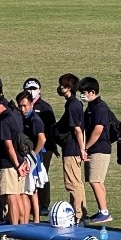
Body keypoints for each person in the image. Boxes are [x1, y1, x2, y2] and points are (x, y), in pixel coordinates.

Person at [0, 95, 30, 225]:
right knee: (19, 196)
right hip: (20, 160)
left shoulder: (3, 120)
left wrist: (17, 165)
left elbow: (8, 145)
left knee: (11, 198)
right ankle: (23, 228)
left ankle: (15, 230)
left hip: (10, 164)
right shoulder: (15, 115)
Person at [79, 77, 115, 224]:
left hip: (99, 148)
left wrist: (85, 147)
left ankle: (104, 211)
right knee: (97, 180)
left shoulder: (100, 107)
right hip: (97, 148)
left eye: (84, 92)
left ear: (92, 92)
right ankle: (102, 210)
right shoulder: (92, 107)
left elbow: (98, 129)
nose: (82, 95)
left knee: (95, 180)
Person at [23, 78, 57, 214]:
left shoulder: (45, 107)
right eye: (28, 89)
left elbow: (51, 128)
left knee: (42, 173)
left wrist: (52, 146)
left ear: (40, 90)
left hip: (44, 147)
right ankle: (32, 203)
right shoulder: (23, 105)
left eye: (34, 89)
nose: (31, 92)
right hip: (28, 147)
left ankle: (44, 204)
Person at [56, 73, 87, 219]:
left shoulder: (73, 105)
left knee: (72, 183)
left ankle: (78, 214)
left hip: (72, 149)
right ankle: (80, 211)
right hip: (73, 148)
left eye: (62, 85)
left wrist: (82, 149)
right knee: (77, 182)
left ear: (68, 88)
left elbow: (77, 129)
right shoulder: (74, 104)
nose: (59, 88)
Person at [16, 91, 46, 223]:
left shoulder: (35, 120)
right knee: (30, 190)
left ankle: (36, 219)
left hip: (32, 158)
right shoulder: (23, 118)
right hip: (29, 156)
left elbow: (42, 139)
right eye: (20, 106)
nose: (23, 109)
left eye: (25, 106)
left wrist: (34, 153)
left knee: (31, 190)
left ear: (31, 104)